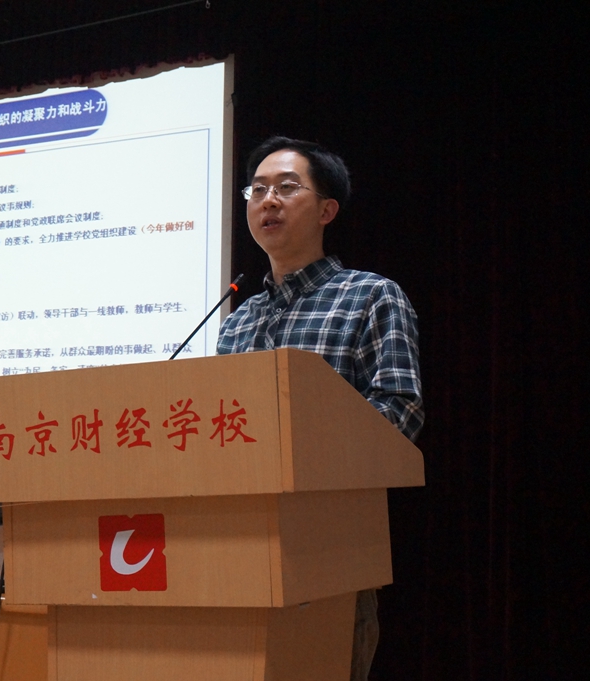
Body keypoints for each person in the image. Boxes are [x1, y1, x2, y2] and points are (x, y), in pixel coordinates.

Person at [217, 136, 424, 680]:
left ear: (327, 210)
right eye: (257, 189)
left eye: (287, 188)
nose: (268, 200)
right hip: (238, 553)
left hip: (329, 556)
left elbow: (400, 413)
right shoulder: (236, 322)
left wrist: (304, 449)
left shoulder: (370, 296)